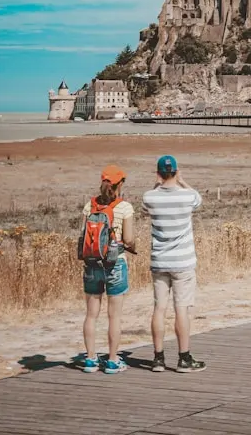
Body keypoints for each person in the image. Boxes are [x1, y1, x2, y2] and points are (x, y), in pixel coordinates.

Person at [142, 155, 206, 373]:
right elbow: (198, 199)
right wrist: (182, 181)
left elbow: (145, 206)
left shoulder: (150, 197)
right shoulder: (187, 196)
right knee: (181, 309)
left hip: (160, 262)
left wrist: (157, 184)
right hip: (183, 262)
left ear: (158, 173)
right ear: (176, 171)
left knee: (159, 308)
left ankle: (158, 358)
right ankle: (184, 358)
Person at [79, 164, 135, 374]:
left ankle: (91, 359)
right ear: (120, 184)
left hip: (92, 264)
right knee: (114, 316)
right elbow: (128, 239)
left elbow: (82, 234)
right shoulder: (124, 207)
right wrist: (133, 246)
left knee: (91, 314)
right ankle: (112, 360)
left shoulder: (89, 206)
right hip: (115, 263)